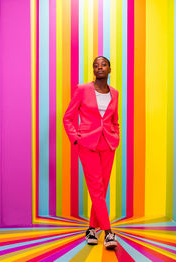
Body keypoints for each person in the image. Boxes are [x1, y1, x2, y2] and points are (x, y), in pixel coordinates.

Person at [63, 56, 119, 249]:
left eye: (103, 64)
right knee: (96, 188)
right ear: (93, 70)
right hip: (87, 144)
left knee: (101, 191)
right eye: (96, 65)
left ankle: (91, 229)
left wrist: (116, 137)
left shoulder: (115, 93)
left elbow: (114, 121)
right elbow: (67, 118)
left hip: (108, 145)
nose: (99, 67)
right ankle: (109, 233)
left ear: (109, 69)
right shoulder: (82, 90)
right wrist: (75, 138)